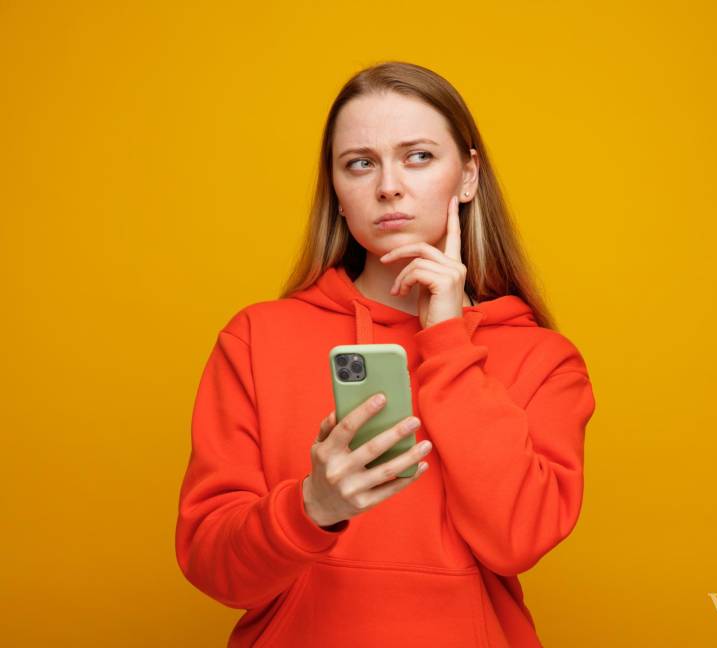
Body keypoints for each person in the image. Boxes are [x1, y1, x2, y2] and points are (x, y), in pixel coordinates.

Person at [175, 60, 597, 647]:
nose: (388, 186)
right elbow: (214, 567)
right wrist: (312, 506)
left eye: (418, 156)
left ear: (468, 177)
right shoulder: (256, 338)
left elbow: (518, 539)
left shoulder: (542, 359)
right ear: (337, 193)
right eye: (360, 163)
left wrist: (447, 340)